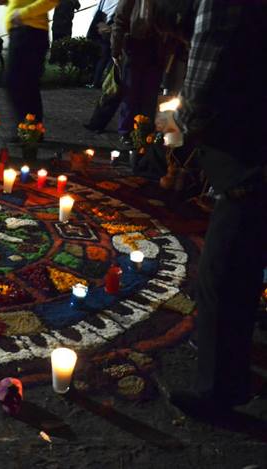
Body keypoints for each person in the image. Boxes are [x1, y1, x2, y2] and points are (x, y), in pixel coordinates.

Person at [152, 0, 267, 415]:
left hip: (249, 157)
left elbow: (207, 66)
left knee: (224, 269)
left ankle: (218, 389)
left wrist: (176, 127)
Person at [0, 0, 59, 126]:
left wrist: (22, 13)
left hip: (31, 32)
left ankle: (28, 129)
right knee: (23, 84)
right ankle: (29, 130)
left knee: (21, 83)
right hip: (22, 32)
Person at [112, 0, 164, 147]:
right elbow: (120, 19)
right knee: (131, 92)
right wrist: (115, 49)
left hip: (156, 48)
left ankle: (144, 131)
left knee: (150, 94)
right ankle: (126, 131)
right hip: (135, 45)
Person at [86, 0, 118, 89]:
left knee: (103, 58)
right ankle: (110, 84)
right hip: (113, 28)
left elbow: (95, 12)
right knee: (112, 58)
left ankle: (96, 81)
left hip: (102, 28)